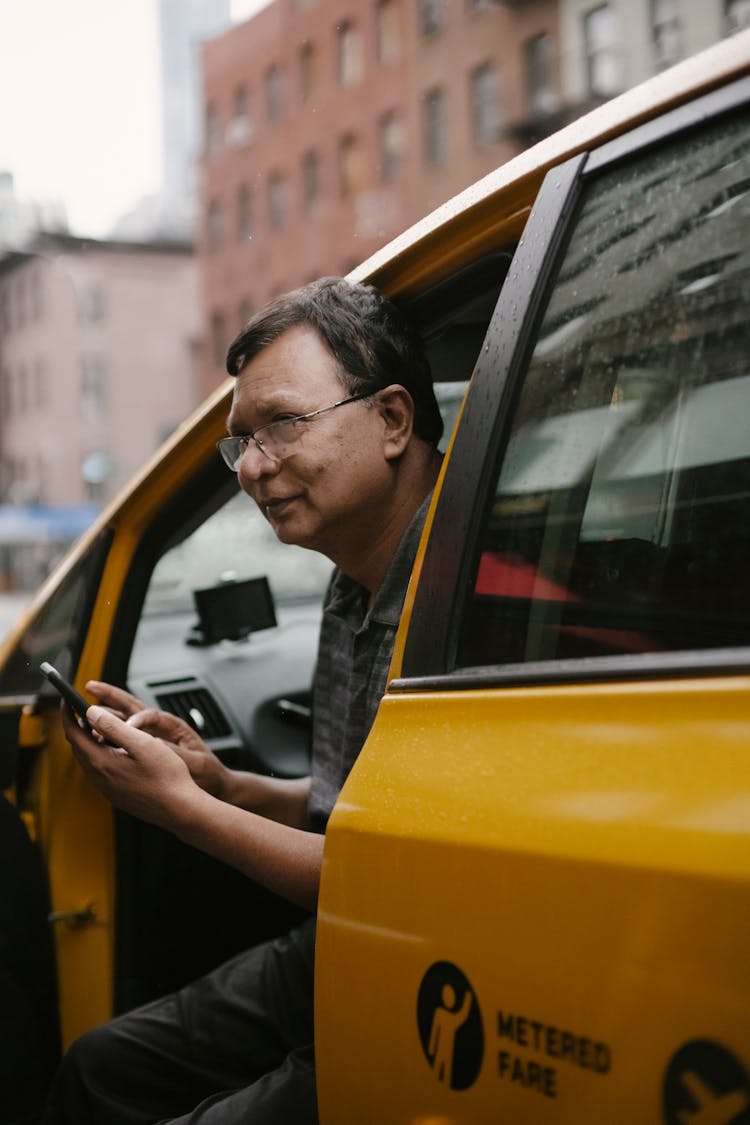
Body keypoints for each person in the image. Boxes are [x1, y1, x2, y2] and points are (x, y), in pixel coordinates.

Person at [43, 277, 444, 1124]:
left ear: (394, 421)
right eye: (242, 442)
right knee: (96, 1065)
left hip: (425, 966)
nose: (254, 468)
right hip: (346, 945)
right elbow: (351, 811)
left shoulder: (462, 592)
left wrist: (187, 812)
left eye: (284, 425)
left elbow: (392, 879)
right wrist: (221, 782)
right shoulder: (353, 581)